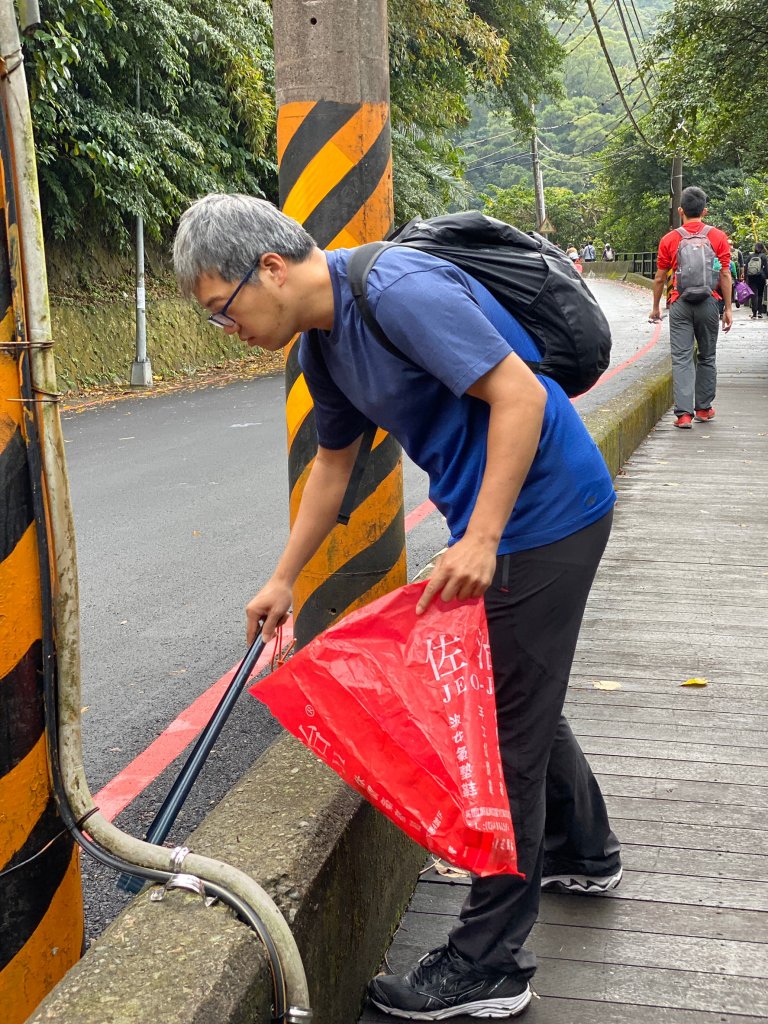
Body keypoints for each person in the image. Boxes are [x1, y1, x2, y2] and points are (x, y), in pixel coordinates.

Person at [173, 193, 621, 1021]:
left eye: (220, 309)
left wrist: (483, 538)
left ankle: (492, 964)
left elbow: (519, 397)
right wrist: (285, 580)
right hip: (499, 524)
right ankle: (583, 849)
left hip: (545, 515)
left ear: (268, 269)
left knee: (501, 738)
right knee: (515, 693)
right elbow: (333, 472)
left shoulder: (397, 291)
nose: (226, 328)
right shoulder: (323, 349)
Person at [650, 186, 732, 429]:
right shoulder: (718, 237)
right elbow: (725, 274)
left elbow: (659, 277)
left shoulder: (670, 239)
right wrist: (727, 308)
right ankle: (704, 409)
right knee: (707, 356)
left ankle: (683, 415)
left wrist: (656, 307)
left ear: (680, 210)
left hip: (680, 303)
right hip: (709, 302)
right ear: (704, 211)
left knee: (683, 357)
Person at [744, 241, 768, 319]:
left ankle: (754, 314)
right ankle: (760, 313)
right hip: (761, 277)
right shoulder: (763, 256)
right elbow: (766, 268)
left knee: (754, 295)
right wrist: (766, 277)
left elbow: (746, 268)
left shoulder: (750, 256)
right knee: (760, 294)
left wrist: (745, 278)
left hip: (751, 277)